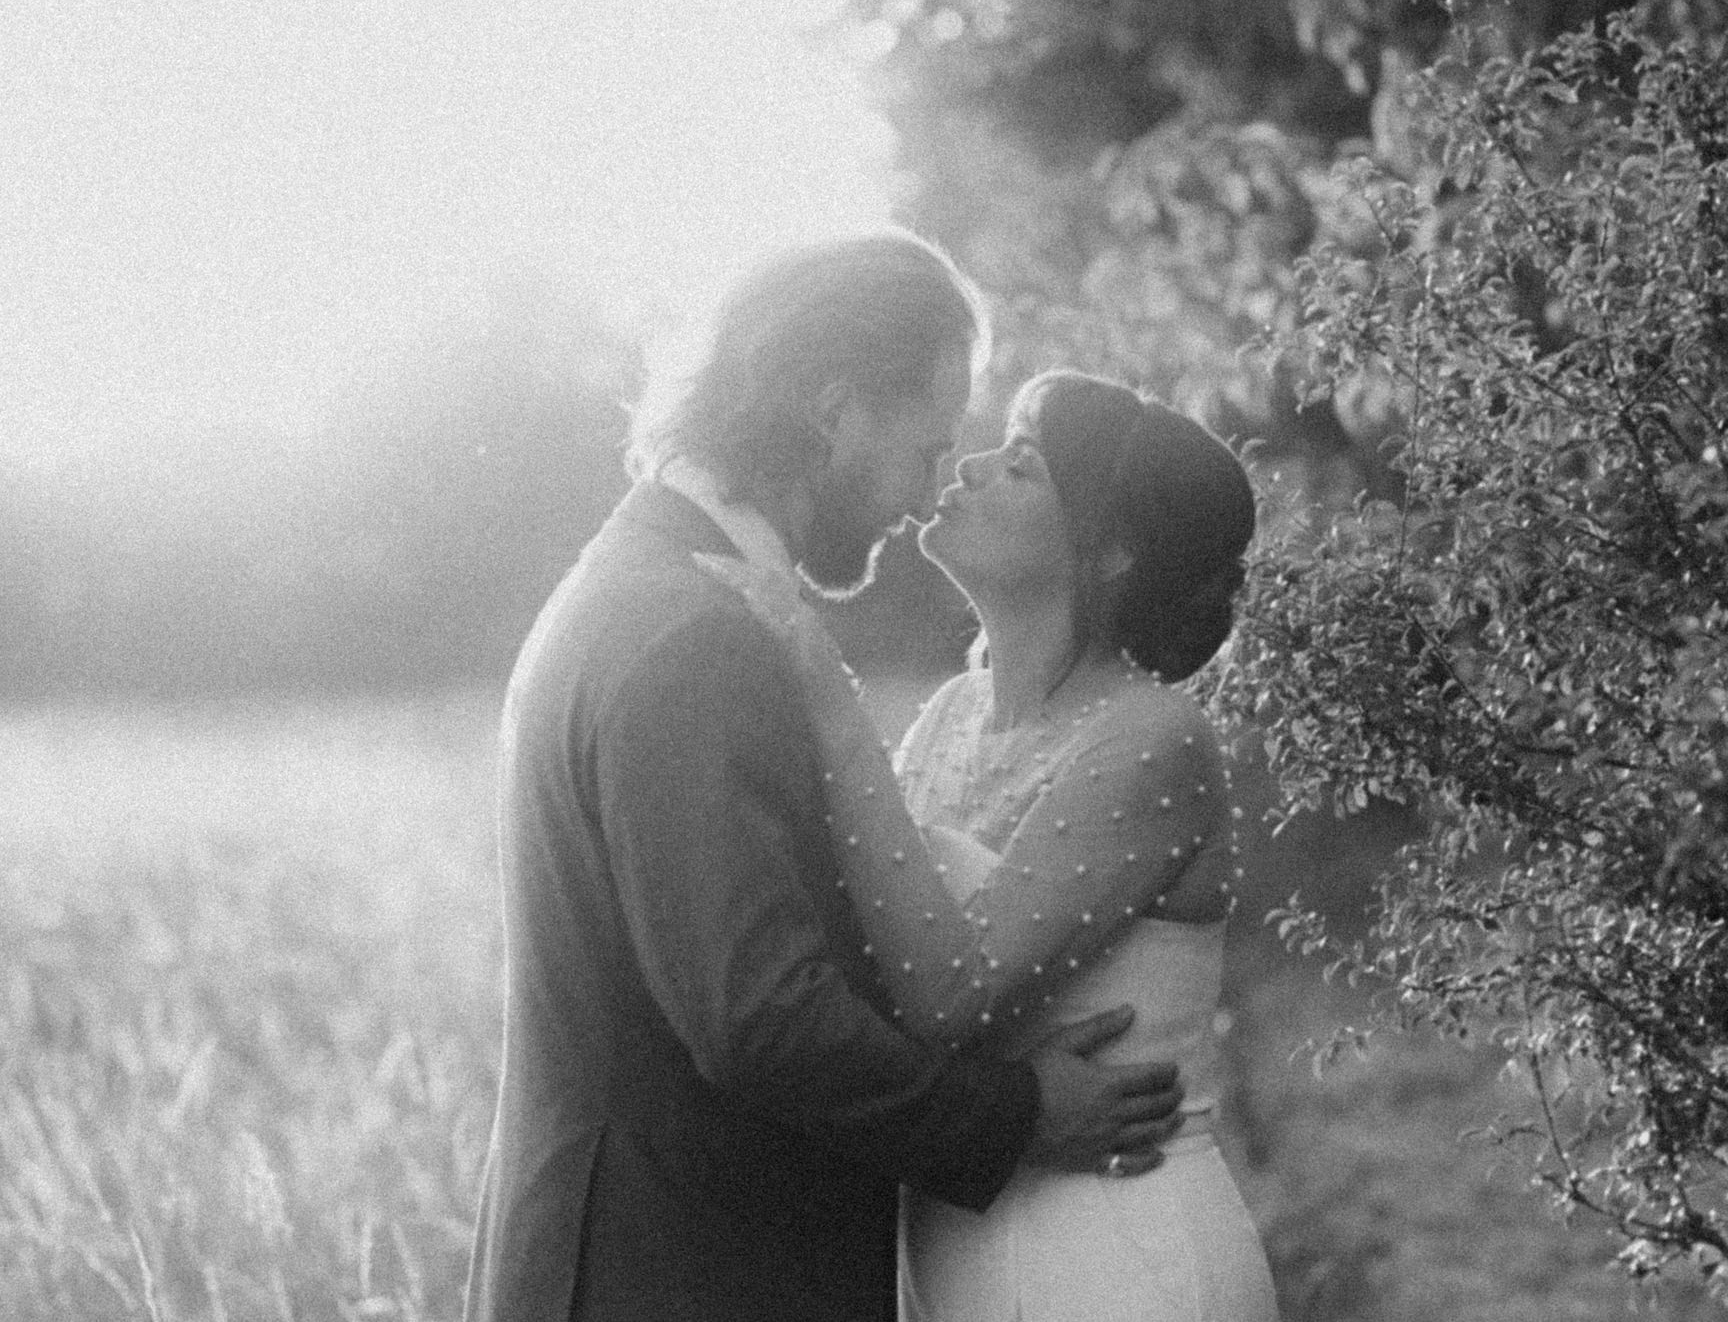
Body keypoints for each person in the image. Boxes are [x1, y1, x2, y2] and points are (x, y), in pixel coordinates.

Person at [464, 236, 1188, 1322]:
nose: (930, 491)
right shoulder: (697, 635)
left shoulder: (641, 585)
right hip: (678, 1278)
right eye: (927, 446)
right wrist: (1015, 1112)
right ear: (833, 408)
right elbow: (759, 1016)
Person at [703, 369, 1279, 1320]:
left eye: (1021, 466)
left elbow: (947, 992)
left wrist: (827, 693)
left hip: (1119, 1252)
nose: (970, 465)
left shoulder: (1155, 735)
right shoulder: (949, 714)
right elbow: (863, 969)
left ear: (1111, 550)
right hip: (954, 1247)